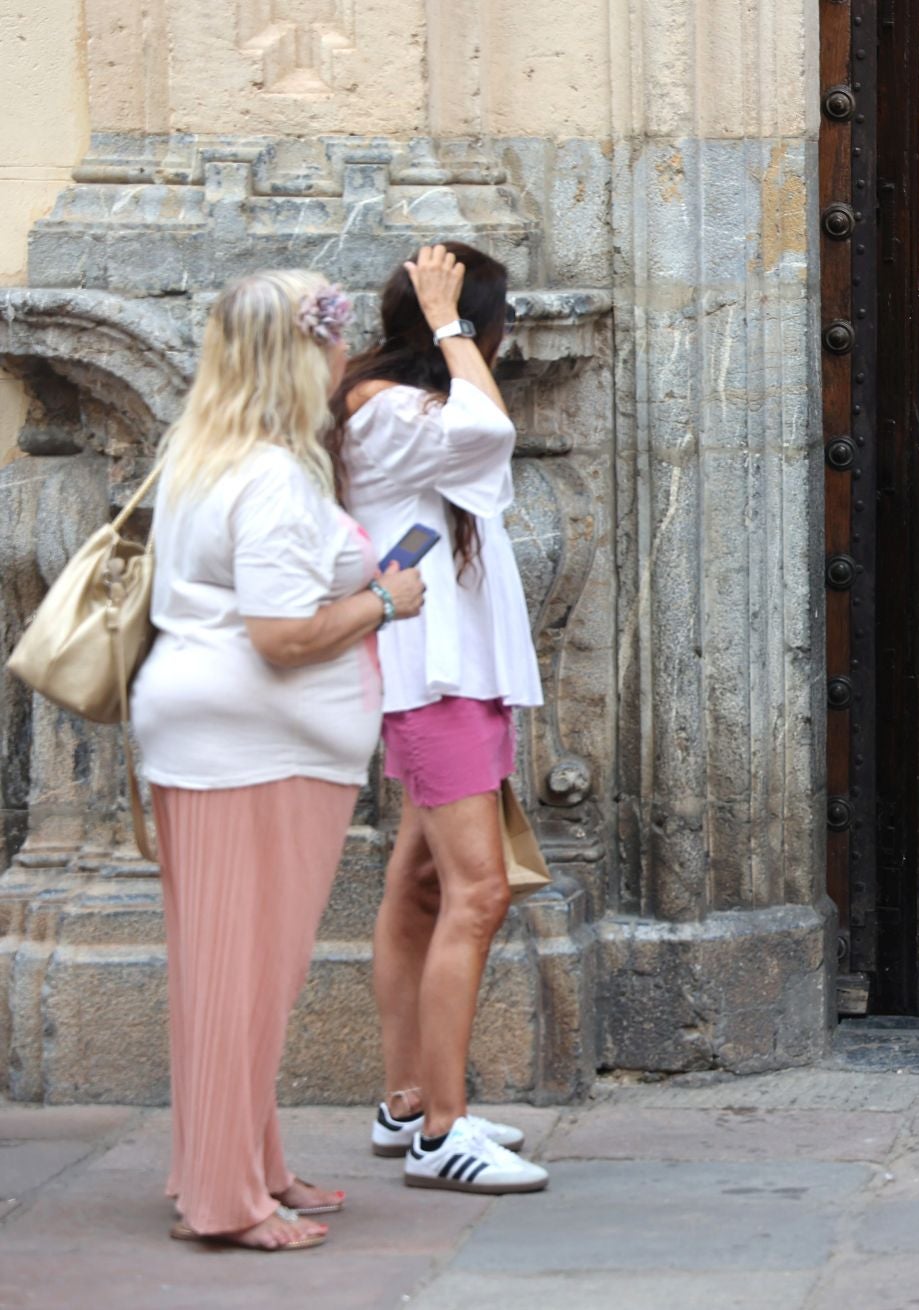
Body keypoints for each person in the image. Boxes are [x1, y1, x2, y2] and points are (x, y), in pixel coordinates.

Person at [133, 270, 426, 1250]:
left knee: (235, 968)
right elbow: (280, 633)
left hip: (224, 738)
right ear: (303, 356)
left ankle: (244, 1161)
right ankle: (225, 1198)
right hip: (249, 745)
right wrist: (386, 600)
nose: (346, 356)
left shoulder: (202, 455)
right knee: (244, 975)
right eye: (333, 339)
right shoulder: (267, 477)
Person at [333, 243, 548, 1193]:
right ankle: (443, 1133)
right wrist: (452, 320)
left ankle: (409, 1099)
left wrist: (446, 328)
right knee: (478, 894)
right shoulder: (385, 410)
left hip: (454, 676)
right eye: (495, 329)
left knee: (421, 888)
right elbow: (489, 435)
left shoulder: (401, 406)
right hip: (435, 683)